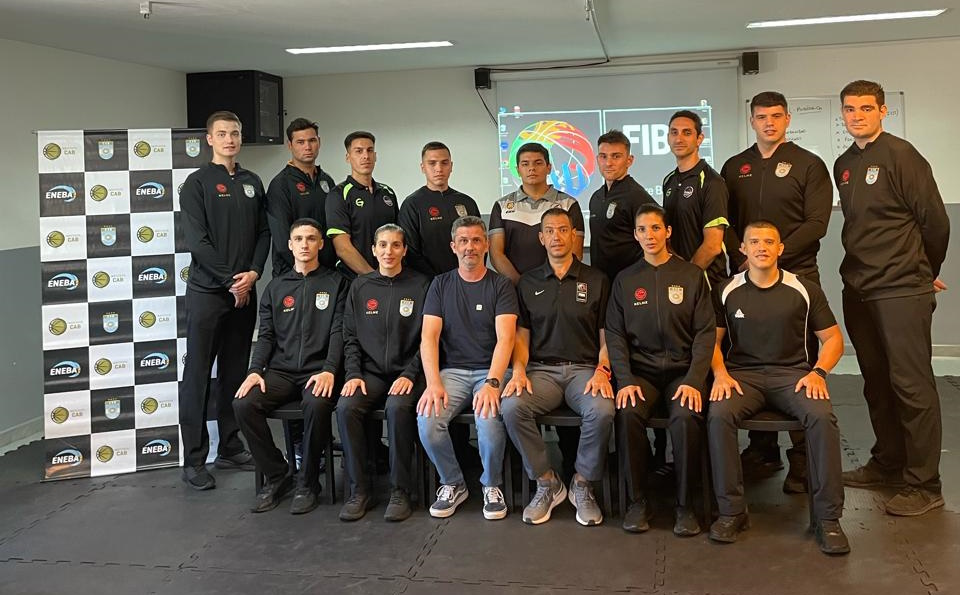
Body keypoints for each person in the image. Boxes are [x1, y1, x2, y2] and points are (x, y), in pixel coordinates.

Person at [834, 80, 950, 517]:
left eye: (866, 108)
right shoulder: (844, 163)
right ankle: (888, 463)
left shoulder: (903, 155)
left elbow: (935, 222)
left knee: (911, 385)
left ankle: (924, 483)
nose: (857, 116)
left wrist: (924, 272)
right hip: (859, 288)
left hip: (901, 288)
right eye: (850, 109)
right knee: (877, 381)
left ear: (883, 111)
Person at [707, 221, 849, 555]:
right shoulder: (726, 289)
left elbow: (833, 338)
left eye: (769, 242)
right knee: (718, 416)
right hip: (744, 377)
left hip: (793, 376)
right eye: (754, 241)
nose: (762, 247)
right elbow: (711, 341)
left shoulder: (804, 288)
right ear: (743, 248)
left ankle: (827, 519)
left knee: (822, 418)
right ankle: (732, 512)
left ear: (780, 249)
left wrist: (818, 372)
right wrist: (721, 374)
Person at [721, 91, 833, 493]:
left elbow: (817, 223)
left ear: (787, 119)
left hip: (797, 272)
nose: (769, 122)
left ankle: (802, 459)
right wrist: (746, 257)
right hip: (746, 275)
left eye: (776, 116)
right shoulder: (735, 166)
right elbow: (725, 221)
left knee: (798, 362)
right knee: (751, 357)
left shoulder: (809, 165)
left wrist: (774, 255)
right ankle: (762, 449)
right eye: (761, 116)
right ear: (751, 120)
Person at [500, 208, 614, 526]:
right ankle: (547, 482)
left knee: (603, 410)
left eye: (563, 230)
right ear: (541, 238)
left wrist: (603, 370)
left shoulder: (597, 280)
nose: (556, 237)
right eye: (549, 231)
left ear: (574, 235)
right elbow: (521, 336)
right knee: (512, 406)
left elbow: (607, 336)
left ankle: (582, 484)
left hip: (585, 371)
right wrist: (518, 370)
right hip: (541, 372)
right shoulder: (528, 282)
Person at [606, 204, 715, 536]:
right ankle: (637, 501)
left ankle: (685, 506)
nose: (649, 235)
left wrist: (695, 380)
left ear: (667, 232)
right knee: (627, 413)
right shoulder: (625, 280)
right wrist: (625, 380)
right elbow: (615, 335)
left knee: (685, 416)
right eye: (642, 229)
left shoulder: (691, 276)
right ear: (635, 235)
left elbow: (705, 333)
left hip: (683, 372)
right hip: (642, 374)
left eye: (655, 228)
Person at [178, 110, 269, 490]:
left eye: (235, 133)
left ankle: (230, 446)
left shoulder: (252, 182)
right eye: (222, 133)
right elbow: (197, 242)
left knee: (235, 372)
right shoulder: (196, 183)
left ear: (241, 138)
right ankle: (194, 459)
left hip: (244, 293)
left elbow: (264, 233)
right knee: (198, 375)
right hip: (208, 293)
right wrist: (230, 281)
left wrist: (254, 273)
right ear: (210, 139)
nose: (229, 139)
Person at [231, 218, 347, 514]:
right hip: (281, 372)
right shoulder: (276, 287)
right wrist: (254, 371)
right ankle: (277, 474)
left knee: (317, 405)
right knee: (244, 404)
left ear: (321, 244)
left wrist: (330, 370)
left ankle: (308, 482)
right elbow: (266, 335)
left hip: (319, 371)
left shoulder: (337, 283)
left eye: (311, 238)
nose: (305, 244)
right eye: (299, 239)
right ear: (290, 245)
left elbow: (339, 332)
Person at [417, 216, 518, 520]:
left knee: (487, 420)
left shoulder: (501, 285)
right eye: (463, 241)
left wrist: (493, 383)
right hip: (453, 373)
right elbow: (429, 338)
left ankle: (491, 485)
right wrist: (433, 383)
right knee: (428, 420)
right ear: (453, 246)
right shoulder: (440, 285)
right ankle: (453, 483)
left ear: (486, 245)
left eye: (476, 240)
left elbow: (507, 339)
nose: (469, 247)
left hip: (492, 371)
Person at [336, 224, 431, 522]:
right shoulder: (360, 287)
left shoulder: (422, 285)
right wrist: (353, 374)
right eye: (383, 245)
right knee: (347, 407)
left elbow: (429, 338)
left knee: (397, 408)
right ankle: (359, 490)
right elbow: (350, 336)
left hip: (410, 372)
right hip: (371, 373)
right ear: (374, 250)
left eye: (395, 245)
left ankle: (400, 491)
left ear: (404, 250)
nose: (389, 251)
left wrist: (410, 373)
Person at [489, 143, 585, 284]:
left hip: (558, 286)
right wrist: (523, 285)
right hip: (516, 288)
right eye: (525, 164)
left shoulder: (569, 204)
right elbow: (496, 254)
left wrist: (551, 286)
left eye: (538, 163)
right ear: (518, 170)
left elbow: (576, 252)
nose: (532, 168)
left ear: (549, 168)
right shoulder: (501, 206)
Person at [662, 110, 729, 288]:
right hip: (679, 281)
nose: (679, 138)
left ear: (699, 139)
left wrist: (687, 277)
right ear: (668, 138)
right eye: (674, 132)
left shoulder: (712, 182)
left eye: (687, 133)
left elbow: (713, 245)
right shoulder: (669, 181)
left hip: (706, 282)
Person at [266, 118, 338, 275]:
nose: (307, 147)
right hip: (292, 273)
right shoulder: (280, 185)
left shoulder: (326, 180)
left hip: (326, 272)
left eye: (312, 140)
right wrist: (307, 268)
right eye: (300, 142)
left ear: (319, 142)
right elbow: (282, 240)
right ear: (290, 145)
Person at [398, 141, 481, 278]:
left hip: (467, 280)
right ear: (423, 167)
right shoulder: (412, 204)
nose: (439, 169)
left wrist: (471, 275)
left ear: (451, 166)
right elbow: (410, 253)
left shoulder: (467, 202)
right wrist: (437, 281)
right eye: (432, 163)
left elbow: (480, 243)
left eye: (444, 163)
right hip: (428, 283)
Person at [326, 131, 399, 280]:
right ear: (348, 157)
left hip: (389, 279)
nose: (366, 156)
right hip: (354, 281)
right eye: (359, 151)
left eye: (370, 150)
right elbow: (343, 248)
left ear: (375, 156)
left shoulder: (388, 192)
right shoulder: (338, 194)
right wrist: (373, 277)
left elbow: (398, 238)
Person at [588, 130, 657, 283]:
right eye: (603, 156)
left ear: (629, 160)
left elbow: (656, 243)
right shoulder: (596, 197)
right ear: (597, 159)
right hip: (601, 283)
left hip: (632, 284)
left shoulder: (638, 196)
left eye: (616, 156)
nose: (608, 163)